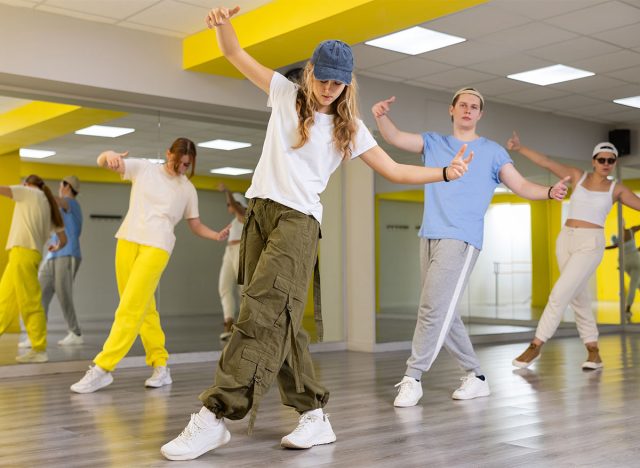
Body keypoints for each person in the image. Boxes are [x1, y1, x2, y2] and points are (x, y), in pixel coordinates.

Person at [160, 6, 473, 461]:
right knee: (279, 320)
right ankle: (314, 416)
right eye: (322, 79)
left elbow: (394, 170)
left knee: (258, 313)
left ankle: (214, 416)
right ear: (309, 73)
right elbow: (233, 52)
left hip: (298, 223)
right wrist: (221, 23)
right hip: (259, 215)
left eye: (337, 82)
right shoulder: (283, 93)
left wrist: (445, 172)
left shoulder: (350, 128)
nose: (328, 89)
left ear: (348, 82)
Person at [371, 92, 569, 408]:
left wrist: (549, 191)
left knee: (432, 308)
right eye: (462, 104)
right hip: (429, 235)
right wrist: (381, 115)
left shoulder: (492, 152)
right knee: (444, 312)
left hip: (461, 238)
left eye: (474, 106)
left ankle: (413, 377)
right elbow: (394, 137)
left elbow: (520, 185)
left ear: (480, 115)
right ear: (452, 110)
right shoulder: (433, 142)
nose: (468, 109)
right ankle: (475, 377)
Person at [70, 138, 229, 394]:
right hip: (127, 240)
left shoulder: (187, 189)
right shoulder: (143, 168)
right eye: (178, 162)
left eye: (187, 165)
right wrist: (109, 154)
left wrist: (214, 235)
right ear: (168, 154)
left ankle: (103, 368)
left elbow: (194, 223)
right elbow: (103, 161)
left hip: (158, 245)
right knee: (143, 307)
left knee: (130, 308)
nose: (181, 168)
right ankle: (161, 365)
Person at [507, 133, 640, 370]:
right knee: (578, 298)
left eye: (611, 160)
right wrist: (519, 148)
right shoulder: (578, 177)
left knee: (559, 294)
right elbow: (546, 162)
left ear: (615, 163)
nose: (606, 164)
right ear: (593, 161)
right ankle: (593, 352)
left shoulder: (616, 189)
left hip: (590, 244)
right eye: (602, 160)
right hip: (565, 240)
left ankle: (536, 345)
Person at [0, 175, 67, 363]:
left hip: (23, 253)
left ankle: (39, 349)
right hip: (26, 255)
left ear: (26, 184)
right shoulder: (48, 204)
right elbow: (63, 240)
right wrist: (54, 247)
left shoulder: (27, 193)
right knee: (4, 301)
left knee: (30, 302)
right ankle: (38, 348)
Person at [19, 175, 84, 349]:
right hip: (52, 256)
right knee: (38, 294)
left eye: (61, 184)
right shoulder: (58, 206)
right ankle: (35, 335)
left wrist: (38, 189)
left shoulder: (72, 204)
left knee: (64, 294)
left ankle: (75, 333)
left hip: (68, 254)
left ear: (67, 186)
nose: (59, 187)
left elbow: (57, 201)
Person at [218, 184, 247, 340]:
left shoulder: (245, 215)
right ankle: (229, 323)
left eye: (231, 204)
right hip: (229, 252)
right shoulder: (234, 221)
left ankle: (245, 325)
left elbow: (237, 209)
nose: (229, 206)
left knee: (243, 289)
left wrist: (228, 192)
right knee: (224, 287)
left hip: (241, 251)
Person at [605, 224, 640, 323]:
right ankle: (628, 308)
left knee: (636, 283)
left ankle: (628, 307)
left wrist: (602, 248)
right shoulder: (631, 230)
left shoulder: (619, 239)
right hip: (635, 260)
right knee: (634, 284)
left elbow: (612, 247)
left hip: (626, 263)